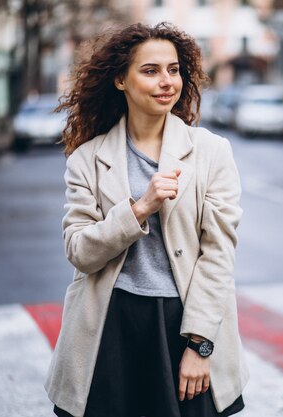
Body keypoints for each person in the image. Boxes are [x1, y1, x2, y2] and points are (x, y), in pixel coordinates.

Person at [45, 22, 249, 417]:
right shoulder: (87, 158)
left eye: (173, 70)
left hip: (183, 320)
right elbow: (80, 252)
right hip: (109, 325)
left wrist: (199, 345)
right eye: (150, 70)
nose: (166, 82)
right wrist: (139, 208)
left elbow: (218, 255)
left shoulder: (211, 152)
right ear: (121, 80)